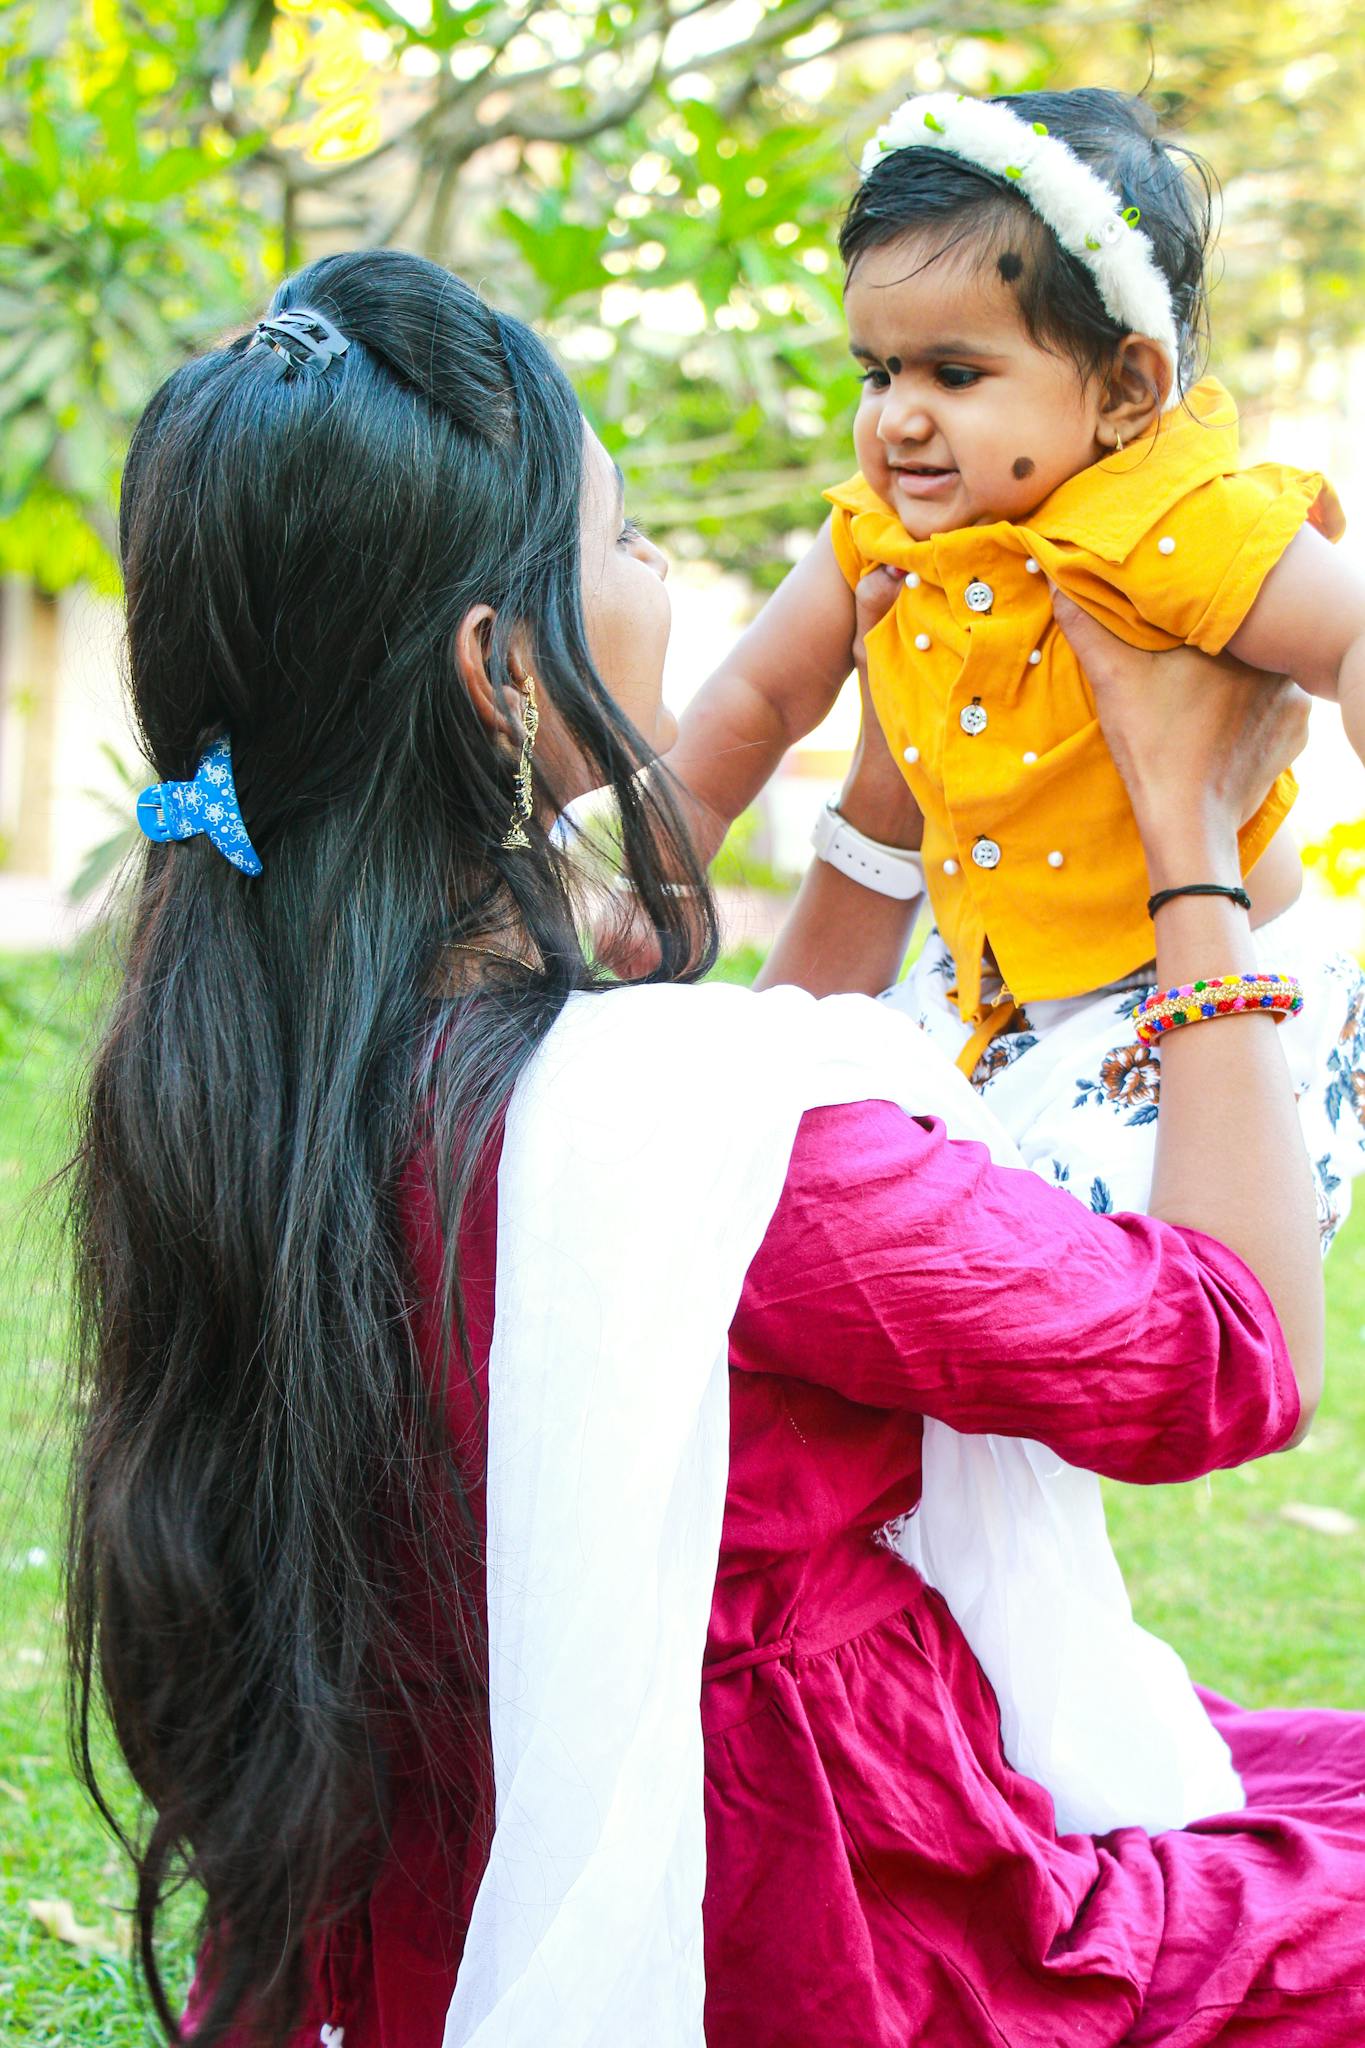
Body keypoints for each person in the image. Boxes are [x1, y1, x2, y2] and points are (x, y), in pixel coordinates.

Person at [69, 249, 1365, 2048]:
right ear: (500, 670)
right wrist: (1196, 842)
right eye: (622, 538)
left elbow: (726, 1088)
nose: (668, 575)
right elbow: (1223, 1358)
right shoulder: (664, 1127)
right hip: (844, 1924)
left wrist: (882, 801)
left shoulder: (245, 1056)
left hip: (426, 1911)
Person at [654, 86, 1365, 1243]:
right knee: (829, 1185)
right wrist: (663, 855)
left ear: (1127, 389)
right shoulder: (878, 531)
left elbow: (1347, 636)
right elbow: (762, 692)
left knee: (1086, 1264)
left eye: (955, 374)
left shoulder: (1177, 522)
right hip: (989, 978)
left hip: (1206, 989)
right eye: (877, 373)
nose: (898, 419)